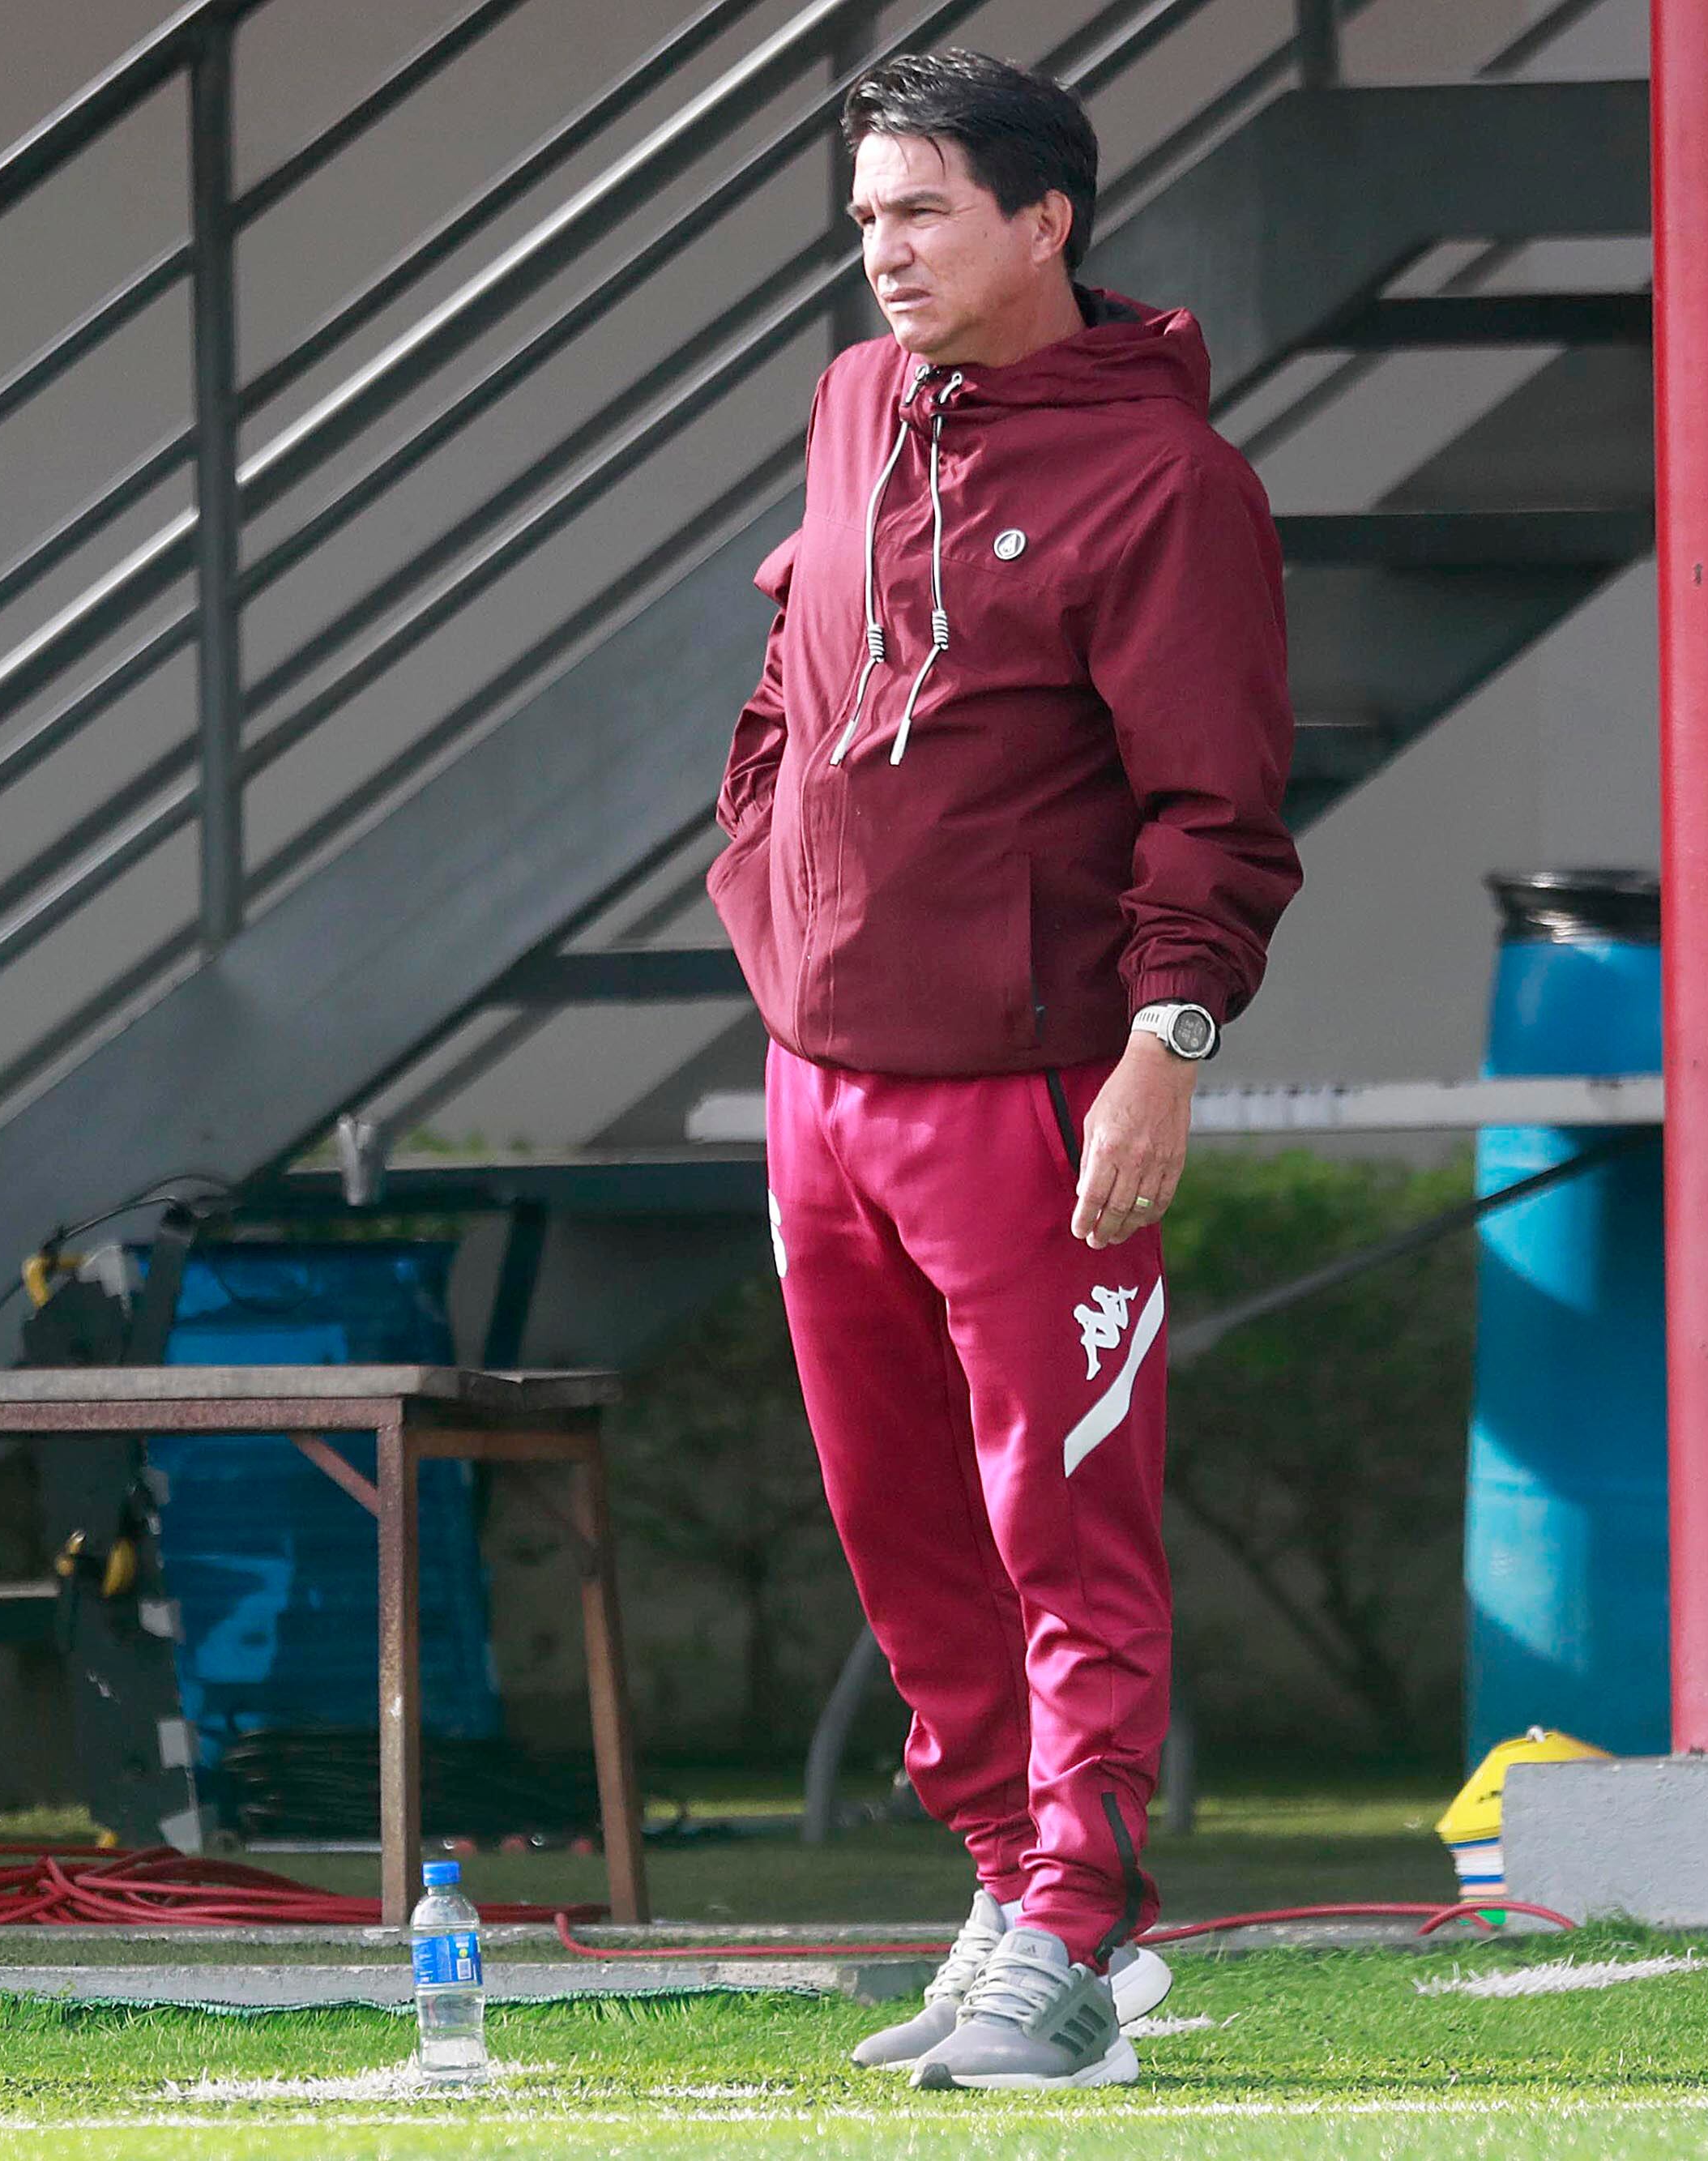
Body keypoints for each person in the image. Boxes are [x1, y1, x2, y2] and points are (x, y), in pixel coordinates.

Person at [703, 49, 1301, 2093]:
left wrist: (1164, 1049)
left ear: (1045, 221)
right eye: (864, 216)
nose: (880, 254)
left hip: (1039, 1092)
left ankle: (1074, 1921)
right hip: (823, 1077)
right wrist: (767, 898)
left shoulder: (1171, 487)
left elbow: (1212, 812)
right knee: (899, 1528)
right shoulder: (853, 403)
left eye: (920, 214)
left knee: (1060, 1519)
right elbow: (794, 671)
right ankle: (995, 1871)